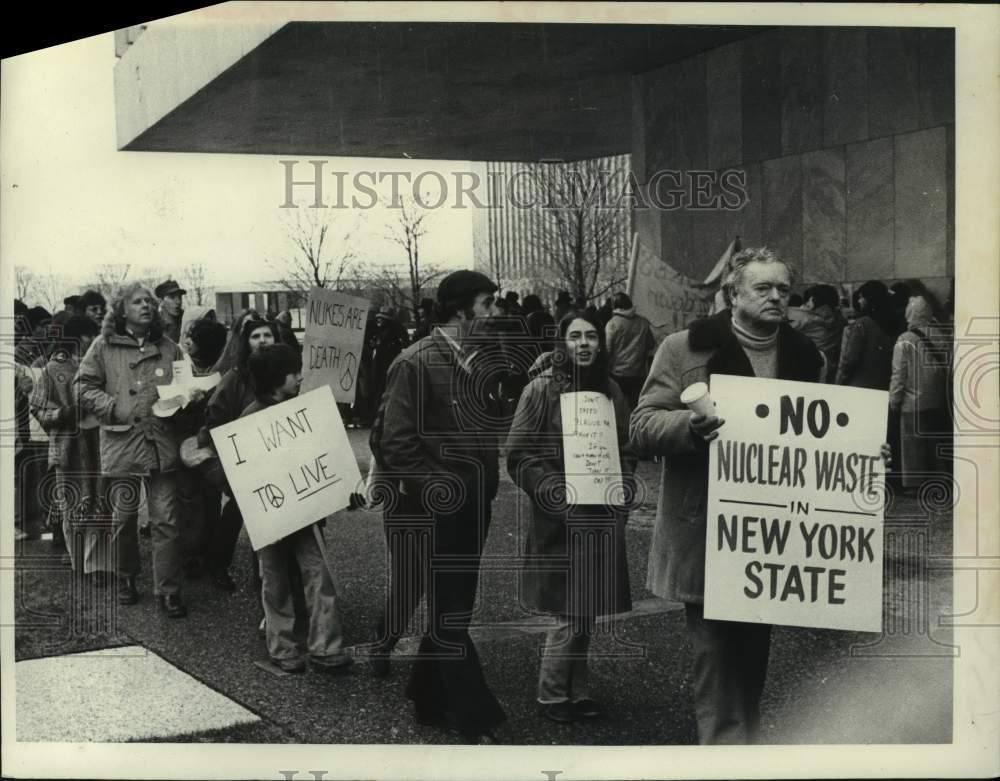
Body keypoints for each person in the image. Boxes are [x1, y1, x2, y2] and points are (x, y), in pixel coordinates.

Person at [631, 247, 888, 744]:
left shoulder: (807, 356)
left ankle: (740, 754)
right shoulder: (684, 349)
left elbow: (818, 440)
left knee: (750, 668)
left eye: (783, 290)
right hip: (707, 532)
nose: (777, 298)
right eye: (763, 288)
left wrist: (864, 450)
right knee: (718, 668)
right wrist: (691, 425)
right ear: (732, 293)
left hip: (768, 540)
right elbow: (641, 426)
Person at [375, 269, 506, 743]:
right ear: (459, 309)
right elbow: (398, 444)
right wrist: (444, 490)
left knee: (456, 606)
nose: (495, 313)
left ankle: (427, 696)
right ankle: (474, 715)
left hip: (472, 506)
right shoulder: (414, 363)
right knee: (452, 610)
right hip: (434, 512)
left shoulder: (473, 359)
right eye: (488, 303)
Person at [506, 311, 634, 723]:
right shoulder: (540, 391)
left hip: (602, 515)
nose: (584, 344)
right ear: (561, 342)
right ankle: (551, 694)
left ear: (601, 343)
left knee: (587, 609)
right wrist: (558, 496)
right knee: (567, 613)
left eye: (592, 336)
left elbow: (626, 450)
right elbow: (519, 455)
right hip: (561, 517)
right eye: (575, 336)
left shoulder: (612, 389)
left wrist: (622, 493)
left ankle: (577, 692)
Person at [76, 282, 188, 617]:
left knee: (166, 521)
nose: (146, 306)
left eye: (149, 302)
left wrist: (188, 397)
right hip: (122, 443)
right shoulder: (103, 345)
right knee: (123, 519)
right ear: (121, 309)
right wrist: (114, 408)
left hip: (160, 443)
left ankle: (168, 590)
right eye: (138, 302)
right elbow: (81, 385)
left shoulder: (170, 347)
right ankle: (127, 576)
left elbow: (184, 384)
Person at [243, 344, 353, 674]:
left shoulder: (303, 410)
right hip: (271, 516)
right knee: (275, 582)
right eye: (293, 372)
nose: (300, 377)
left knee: (320, 576)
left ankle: (325, 646)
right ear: (278, 378)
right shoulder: (250, 416)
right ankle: (282, 646)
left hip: (304, 513)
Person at [197, 315, 282, 588]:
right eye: (255, 336)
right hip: (246, 460)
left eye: (267, 335)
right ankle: (218, 564)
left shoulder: (286, 373)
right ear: (246, 342)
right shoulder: (235, 377)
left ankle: (269, 581)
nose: (262, 341)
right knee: (238, 512)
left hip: (278, 458)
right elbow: (215, 415)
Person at [29, 315, 109, 580]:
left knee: (99, 502)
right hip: (68, 447)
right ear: (75, 336)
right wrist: (66, 413)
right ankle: (80, 563)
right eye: (87, 335)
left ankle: (96, 564)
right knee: (72, 505)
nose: (91, 340)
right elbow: (38, 408)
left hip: (99, 443)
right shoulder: (54, 369)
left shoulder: (100, 364)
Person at [889, 295, 951, 494]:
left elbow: (899, 374)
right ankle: (940, 482)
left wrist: (893, 400)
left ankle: (914, 486)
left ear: (909, 314)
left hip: (912, 402)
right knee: (935, 443)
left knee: (912, 446)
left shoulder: (904, 340)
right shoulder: (940, 336)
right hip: (937, 400)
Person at [836, 280, 898, 389]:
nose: (859, 301)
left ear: (870, 298)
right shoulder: (894, 323)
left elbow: (850, 360)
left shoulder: (863, 323)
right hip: (883, 385)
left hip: (861, 386)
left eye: (861, 297)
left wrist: (840, 382)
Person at [604, 292, 656, 409]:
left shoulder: (612, 324)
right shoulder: (643, 322)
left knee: (617, 409)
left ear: (614, 306)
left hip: (617, 375)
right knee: (636, 408)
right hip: (638, 374)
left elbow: (607, 350)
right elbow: (651, 345)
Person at [787, 284, 846, 381]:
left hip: (809, 366)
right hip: (832, 369)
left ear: (812, 299)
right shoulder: (841, 319)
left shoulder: (806, 318)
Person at [155, 279, 187, 344]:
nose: (178, 302)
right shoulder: (154, 325)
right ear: (161, 301)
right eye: (172, 297)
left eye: (179, 297)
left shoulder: (187, 320)